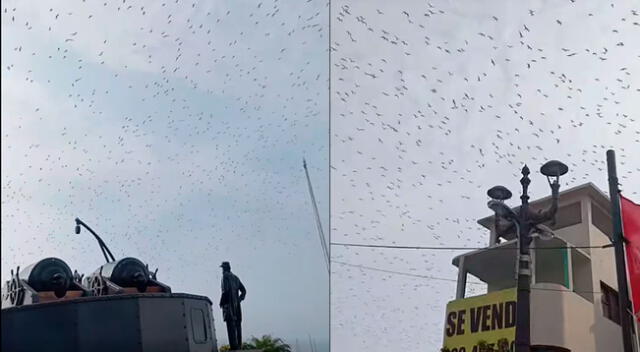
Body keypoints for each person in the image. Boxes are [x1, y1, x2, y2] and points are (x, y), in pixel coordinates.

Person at [219, 261, 246, 350]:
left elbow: (225, 291)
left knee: (230, 326)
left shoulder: (225, 276)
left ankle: (234, 347)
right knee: (238, 325)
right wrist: (239, 299)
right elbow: (244, 291)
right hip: (237, 306)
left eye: (223, 268)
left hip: (228, 304)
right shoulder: (236, 278)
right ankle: (238, 346)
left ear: (225, 268)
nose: (222, 270)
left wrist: (222, 302)